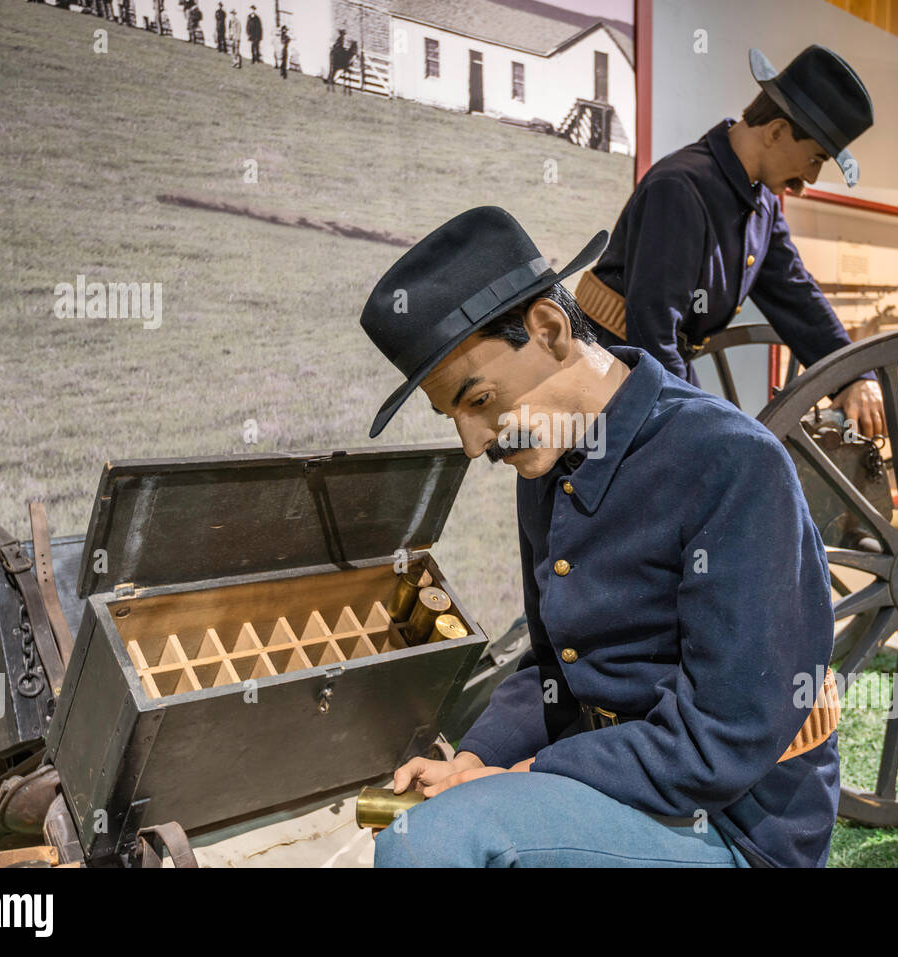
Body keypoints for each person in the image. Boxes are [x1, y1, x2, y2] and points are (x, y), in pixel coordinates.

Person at [359, 206, 840, 868]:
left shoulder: (731, 462)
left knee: (433, 842)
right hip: (621, 786)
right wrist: (476, 758)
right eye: (454, 416)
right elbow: (556, 666)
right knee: (418, 816)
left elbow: (721, 741)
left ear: (550, 329)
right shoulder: (548, 463)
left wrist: (525, 774)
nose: (472, 444)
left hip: (735, 823)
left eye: (477, 401)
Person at [576, 45, 888, 442]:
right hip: (607, 378)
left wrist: (852, 376)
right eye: (815, 158)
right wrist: (702, 426)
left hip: (653, 375)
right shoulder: (681, 187)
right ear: (776, 132)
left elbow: (796, 294)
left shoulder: (762, 205)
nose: (808, 181)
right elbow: (652, 331)